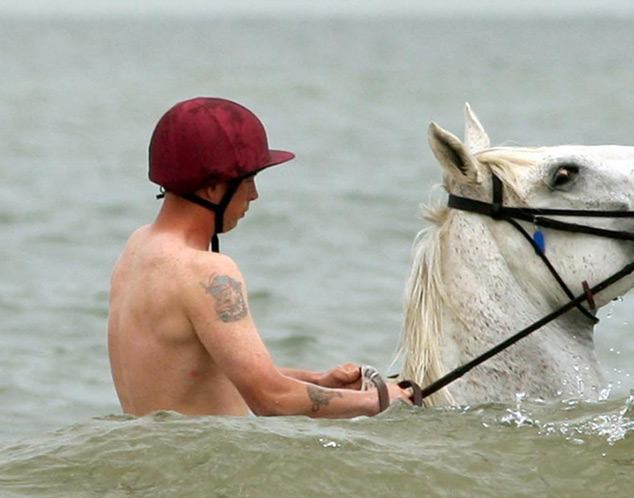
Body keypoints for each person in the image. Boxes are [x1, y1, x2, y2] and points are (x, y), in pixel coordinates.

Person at [108, 97, 410, 418]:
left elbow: (197, 374)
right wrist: (378, 400)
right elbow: (269, 398)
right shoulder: (206, 271)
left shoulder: (138, 247)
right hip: (210, 464)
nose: (254, 195)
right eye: (249, 180)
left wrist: (318, 381)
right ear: (213, 188)